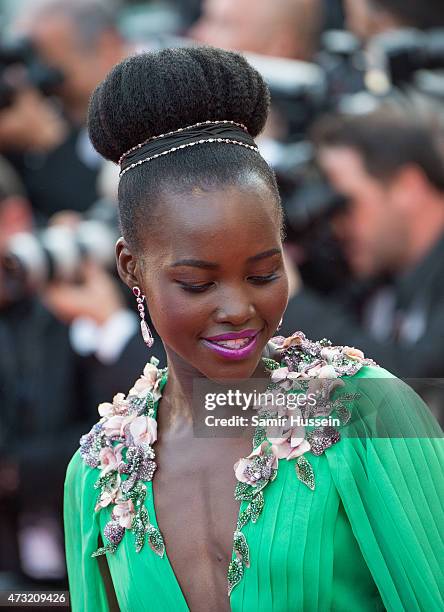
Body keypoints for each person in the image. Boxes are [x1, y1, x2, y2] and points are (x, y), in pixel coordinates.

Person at [64, 47, 444, 611]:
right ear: (130, 268)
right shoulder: (97, 473)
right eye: (197, 283)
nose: (239, 309)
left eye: (265, 273)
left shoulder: (359, 411)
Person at [282, 110, 444, 382]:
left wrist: (293, 303)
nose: (337, 226)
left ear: (407, 187)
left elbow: (419, 383)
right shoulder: (379, 277)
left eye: (345, 204)